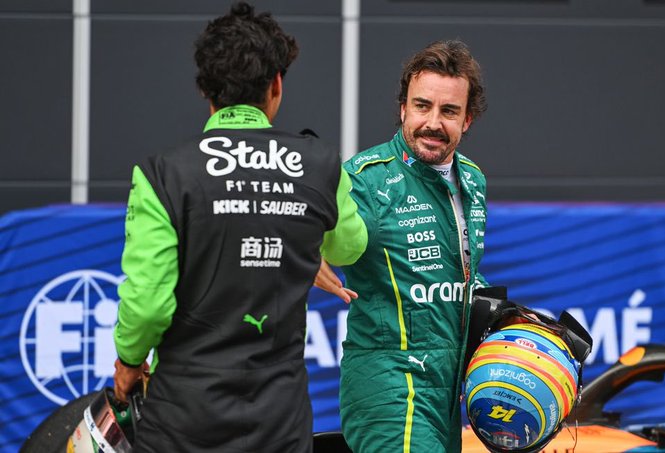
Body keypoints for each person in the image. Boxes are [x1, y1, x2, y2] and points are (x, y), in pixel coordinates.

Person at [112, 3, 366, 452]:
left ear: (206, 90)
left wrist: (129, 362)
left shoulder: (163, 174)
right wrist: (302, 243)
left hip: (182, 420)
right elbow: (350, 247)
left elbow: (148, 304)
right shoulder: (320, 164)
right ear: (276, 85)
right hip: (279, 422)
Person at [315, 40, 490, 452]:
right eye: (422, 106)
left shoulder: (473, 179)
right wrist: (307, 251)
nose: (433, 122)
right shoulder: (365, 178)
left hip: (449, 390)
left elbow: (463, 274)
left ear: (467, 119)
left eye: (449, 111)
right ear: (402, 109)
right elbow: (308, 226)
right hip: (388, 385)